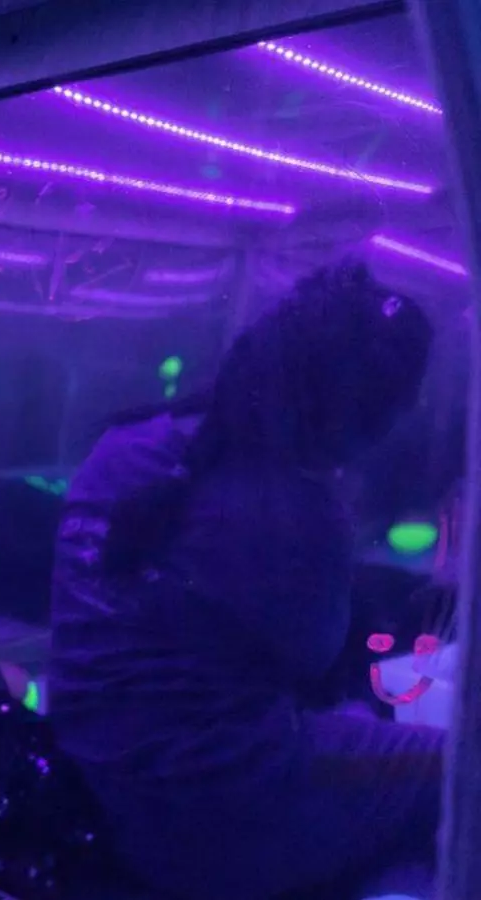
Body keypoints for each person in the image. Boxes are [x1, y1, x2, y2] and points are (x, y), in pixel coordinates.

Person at [49, 260, 442, 900]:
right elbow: (316, 654)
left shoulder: (121, 445)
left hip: (104, 786)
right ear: (356, 414)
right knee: (454, 773)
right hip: (219, 812)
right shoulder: (296, 505)